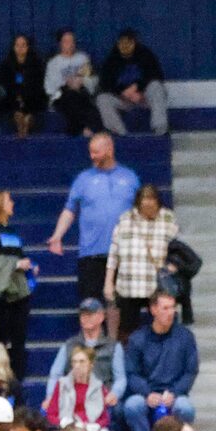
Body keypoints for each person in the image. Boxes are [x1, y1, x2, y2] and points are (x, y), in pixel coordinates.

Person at [45, 132, 143, 316]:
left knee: (125, 309)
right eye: (90, 152)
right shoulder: (83, 179)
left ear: (109, 149)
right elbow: (69, 210)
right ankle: (91, 344)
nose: (92, 156)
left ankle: (118, 343)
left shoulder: (130, 178)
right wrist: (58, 236)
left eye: (96, 152)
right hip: (92, 254)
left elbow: (142, 213)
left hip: (125, 253)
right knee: (91, 307)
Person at [113, 289, 198, 431]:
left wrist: (174, 392)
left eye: (172, 308)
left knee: (185, 408)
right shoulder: (137, 339)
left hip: (174, 393)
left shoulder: (186, 337)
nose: (170, 312)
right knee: (132, 405)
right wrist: (147, 393)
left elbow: (190, 371)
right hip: (147, 393)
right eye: (165, 308)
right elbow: (131, 373)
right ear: (153, 310)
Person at [0, 188, 38, 380]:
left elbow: (18, 256)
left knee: (19, 342)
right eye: (8, 200)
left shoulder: (12, 232)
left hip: (19, 295)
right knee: (0, 341)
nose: (12, 204)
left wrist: (29, 266)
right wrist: (15, 264)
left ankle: (17, 381)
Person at [105, 182, 178, 342]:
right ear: (138, 204)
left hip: (155, 285)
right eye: (145, 205)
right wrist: (108, 282)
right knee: (127, 332)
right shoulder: (125, 220)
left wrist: (174, 265)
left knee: (162, 329)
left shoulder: (168, 219)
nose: (150, 210)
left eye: (153, 205)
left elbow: (177, 248)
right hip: (128, 285)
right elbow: (113, 253)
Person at [94, 29, 169, 134]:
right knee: (102, 99)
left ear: (135, 42)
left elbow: (156, 75)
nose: (125, 46)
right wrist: (122, 92)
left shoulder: (145, 54)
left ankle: (160, 129)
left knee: (157, 87)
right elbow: (105, 83)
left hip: (143, 97)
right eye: (122, 43)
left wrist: (138, 88)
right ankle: (120, 135)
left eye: (129, 42)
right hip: (123, 99)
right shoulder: (112, 59)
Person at [44, 341, 111, 431]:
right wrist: (63, 423)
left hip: (90, 430)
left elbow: (104, 418)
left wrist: (94, 426)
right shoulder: (62, 385)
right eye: (74, 362)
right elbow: (51, 414)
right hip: (67, 429)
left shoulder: (98, 386)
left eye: (82, 362)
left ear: (91, 364)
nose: (77, 366)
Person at [56, 294, 121, 394]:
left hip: (104, 396)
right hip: (74, 397)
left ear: (102, 316)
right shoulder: (69, 345)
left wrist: (115, 394)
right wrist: (50, 396)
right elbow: (55, 374)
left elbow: (120, 378)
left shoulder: (114, 346)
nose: (86, 318)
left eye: (90, 314)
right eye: (83, 315)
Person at [43, 28, 100, 135]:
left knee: (87, 103)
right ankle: (80, 129)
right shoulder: (53, 63)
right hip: (61, 95)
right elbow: (50, 88)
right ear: (60, 44)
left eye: (72, 41)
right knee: (70, 97)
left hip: (81, 92)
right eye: (66, 41)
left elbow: (93, 79)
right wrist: (68, 84)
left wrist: (81, 81)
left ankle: (97, 131)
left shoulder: (83, 58)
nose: (70, 44)